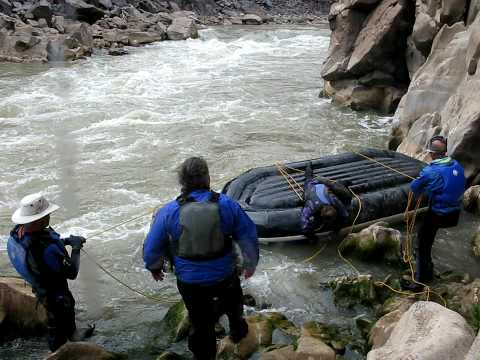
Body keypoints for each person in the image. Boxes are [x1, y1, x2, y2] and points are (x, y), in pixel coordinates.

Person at [143, 157, 259, 360]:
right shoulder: (227, 204)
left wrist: (154, 266)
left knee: (200, 321)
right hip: (224, 276)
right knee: (233, 302)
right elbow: (248, 236)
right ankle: (238, 330)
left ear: (182, 182)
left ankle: (203, 353)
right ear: (207, 177)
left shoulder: (169, 211)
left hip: (190, 282)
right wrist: (250, 264)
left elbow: (152, 247)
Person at [7, 193, 92, 352]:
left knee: (56, 317)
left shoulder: (18, 233)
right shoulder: (46, 249)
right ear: (40, 219)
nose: (49, 217)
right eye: (47, 214)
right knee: (60, 318)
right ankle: (61, 347)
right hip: (54, 293)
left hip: (40, 286)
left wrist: (65, 241)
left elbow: (42, 245)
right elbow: (72, 272)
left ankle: (69, 335)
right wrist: (75, 248)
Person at [406, 135, 466, 291]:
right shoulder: (457, 165)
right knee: (428, 238)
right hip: (455, 214)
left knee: (422, 243)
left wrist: (427, 185)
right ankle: (428, 268)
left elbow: (414, 188)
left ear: (432, 154)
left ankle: (419, 281)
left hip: (439, 214)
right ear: (445, 152)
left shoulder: (430, 171)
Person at [301, 162, 353, 238]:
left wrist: (337, 229)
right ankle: (309, 165)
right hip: (311, 185)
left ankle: (343, 183)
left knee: (337, 187)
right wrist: (312, 236)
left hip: (322, 184)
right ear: (321, 214)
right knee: (308, 177)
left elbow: (344, 214)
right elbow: (304, 225)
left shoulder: (333, 199)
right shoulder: (311, 206)